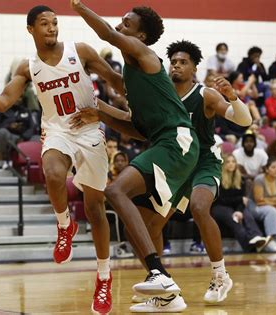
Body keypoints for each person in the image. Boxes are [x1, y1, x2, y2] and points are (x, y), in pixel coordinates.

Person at [0, 5, 128, 313]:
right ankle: (64, 225)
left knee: (95, 209)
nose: (52, 28)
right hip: (56, 131)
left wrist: (139, 85)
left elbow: (115, 80)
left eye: (55, 23)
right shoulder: (27, 67)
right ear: (31, 29)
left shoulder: (80, 51)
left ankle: (103, 277)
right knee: (52, 173)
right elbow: (2, 103)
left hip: (91, 130)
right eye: (44, 23)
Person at [70, 2, 201, 312]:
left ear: (141, 36)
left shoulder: (146, 57)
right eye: (121, 21)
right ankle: (169, 296)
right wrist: (99, 111)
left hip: (176, 142)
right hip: (167, 144)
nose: (119, 26)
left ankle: (159, 274)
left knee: (115, 190)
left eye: (126, 24)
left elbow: (105, 33)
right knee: (141, 226)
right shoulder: (134, 78)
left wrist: (78, 5)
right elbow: (136, 129)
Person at [136, 40, 252, 305]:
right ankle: (163, 291)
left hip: (203, 162)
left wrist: (233, 97)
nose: (176, 65)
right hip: (176, 166)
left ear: (195, 68)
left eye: (183, 62)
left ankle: (220, 274)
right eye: (173, 62)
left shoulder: (205, 95)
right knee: (152, 226)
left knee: (200, 207)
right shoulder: (162, 96)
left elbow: (244, 121)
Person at [210, 154, 271, 252]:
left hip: (234, 207)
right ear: (223, 165)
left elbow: (243, 201)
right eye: (228, 162)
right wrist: (239, 200)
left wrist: (239, 211)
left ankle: (257, 237)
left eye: (233, 162)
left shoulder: (241, 179)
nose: (231, 164)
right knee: (235, 221)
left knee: (246, 214)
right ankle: (249, 247)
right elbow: (221, 199)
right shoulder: (218, 179)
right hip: (219, 207)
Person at [250, 157, 276, 252]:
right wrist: (275, 201)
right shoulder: (259, 179)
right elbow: (259, 200)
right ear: (267, 169)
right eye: (273, 167)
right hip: (256, 208)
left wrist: (275, 203)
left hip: (271, 207)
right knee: (271, 210)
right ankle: (271, 240)